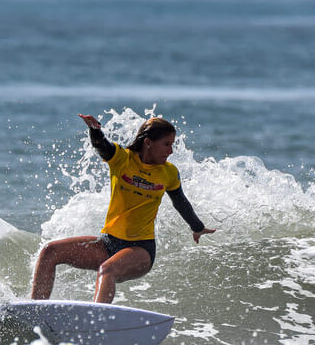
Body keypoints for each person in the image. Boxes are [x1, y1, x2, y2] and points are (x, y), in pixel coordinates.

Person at [31, 114, 215, 303]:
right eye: (166, 144)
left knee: (107, 270)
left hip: (140, 250)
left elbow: (180, 202)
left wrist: (197, 227)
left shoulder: (169, 173)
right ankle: (34, 312)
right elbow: (102, 146)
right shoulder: (122, 160)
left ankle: (95, 325)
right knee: (50, 251)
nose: (171, 150)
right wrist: (95, 130)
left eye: (172, 144)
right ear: (149, 143)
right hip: (108, 243)